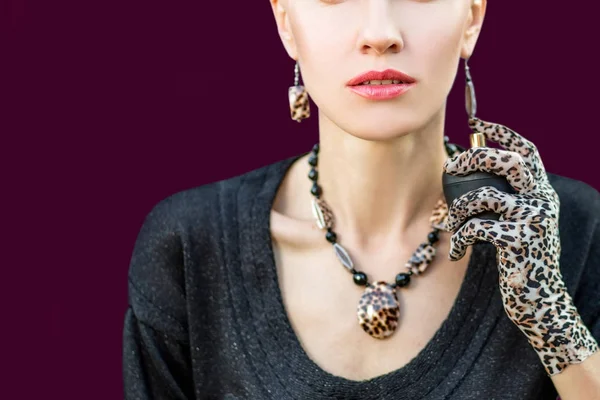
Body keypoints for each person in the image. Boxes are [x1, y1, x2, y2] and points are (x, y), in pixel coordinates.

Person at [122, 0, 600, 398]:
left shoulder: (571, 228)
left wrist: (549, 315)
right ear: (286, 22)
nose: (380, 33)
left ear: (471, 18)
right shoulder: (188, 246)